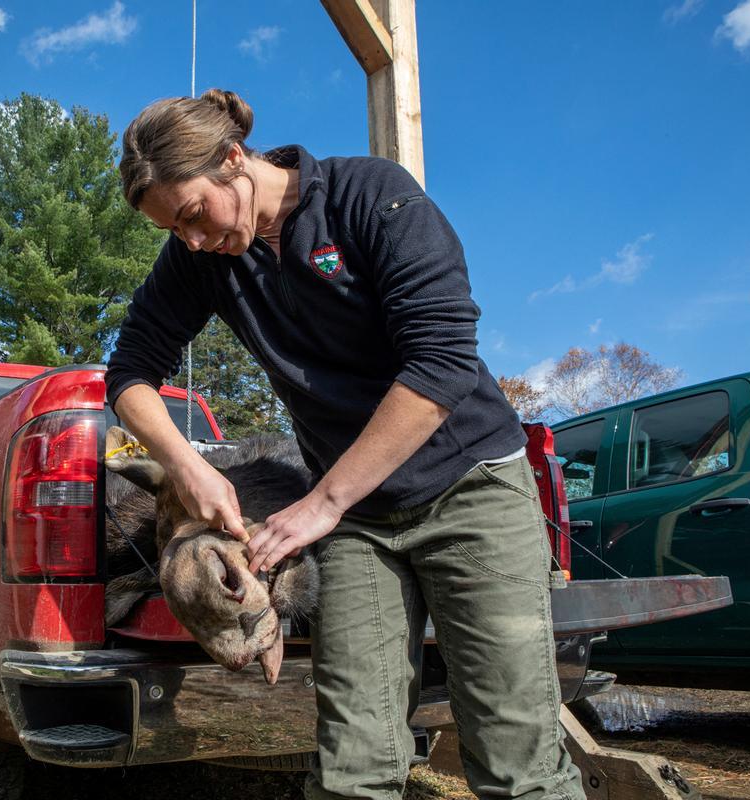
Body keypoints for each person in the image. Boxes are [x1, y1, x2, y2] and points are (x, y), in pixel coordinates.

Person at [105, 88, 585, 800]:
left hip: (470, 488)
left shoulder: (371, 197)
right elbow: (130, 373)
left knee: (517, 761)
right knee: (352, 766)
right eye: (175, 231)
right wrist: (186, 469)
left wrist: (323, 501)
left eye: (195, 215)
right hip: (361, 523)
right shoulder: (202, 259)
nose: (193, 241)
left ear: (234, 159)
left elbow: (441, 363)